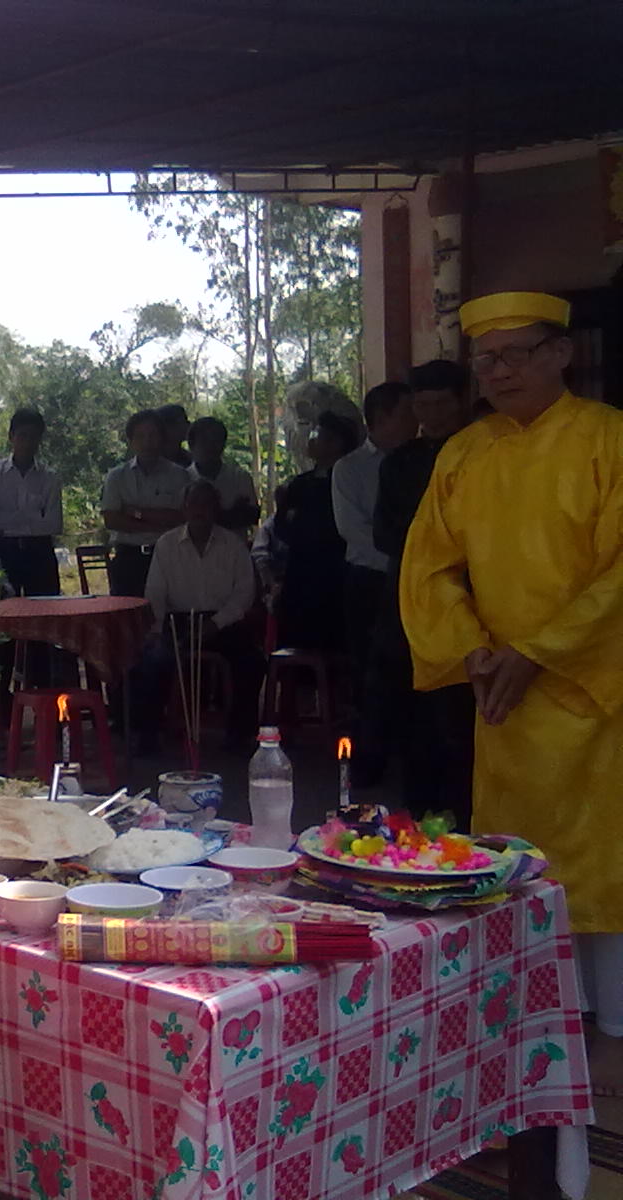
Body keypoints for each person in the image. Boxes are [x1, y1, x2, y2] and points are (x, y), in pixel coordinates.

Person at [401, 290, 623, 1049]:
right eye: (485, 359)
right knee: (516, 858)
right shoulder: (465, 453)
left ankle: (610, 1025)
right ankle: (530, 1021)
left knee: (602, 861)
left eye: (516, 354)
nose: (498, 372)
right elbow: (429, 567)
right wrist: (471, 648)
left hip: (598, 688)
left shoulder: (608, 438)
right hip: (503, 694)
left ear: (561, 353)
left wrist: (542, 651)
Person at [372, 359, 475, 827]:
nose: (431, 415)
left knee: (461, 716)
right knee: (412, 712)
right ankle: (415, 817)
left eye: (441, 404)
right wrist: (428, 544)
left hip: (472, 594)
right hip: (411, 596)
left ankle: (466, 819)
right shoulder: (400, 462)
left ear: (461, 401)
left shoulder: (483, 451)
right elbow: (383, 533)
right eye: (423, 405)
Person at [130, 479, 264, 754]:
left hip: (223, 623)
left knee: (252, 661)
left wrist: (215, 623)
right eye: (194, 503)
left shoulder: (234, 545)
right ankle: (149, 736)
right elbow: (155, 594)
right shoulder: (166, 544)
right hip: (178, 622)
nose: (200, 510)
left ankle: (239, 736)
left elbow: (244, 595)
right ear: (184, 508)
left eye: (206, 504)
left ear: (216, 509)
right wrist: (155, 631)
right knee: (152, 660)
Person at [333, 381, 417, 785]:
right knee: (369, 671)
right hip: (370, 579)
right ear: (381, 418)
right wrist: (405, 557)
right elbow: (354, 530)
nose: (416, 422)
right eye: (407, 413)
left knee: (411, 668)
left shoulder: (420, 460)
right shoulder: (350, 468)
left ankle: (410, 756)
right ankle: (368, 764)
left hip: (415, 579)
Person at [276, 410, 361, 651]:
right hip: (300, 576)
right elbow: (283, 529)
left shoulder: (349, 482)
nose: (313, 441)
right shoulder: (300, 484)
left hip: (335, 576)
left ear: (337, 443)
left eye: (320, 436)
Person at [100, 409, 190, 597]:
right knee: (128, 612)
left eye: (153, 435)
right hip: (128, 558)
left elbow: (180, 518)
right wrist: (159, 523)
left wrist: (135, 513)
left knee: (170, 610)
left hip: (169, 556)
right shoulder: (116, 476)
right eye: (140, 436)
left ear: (162, 438)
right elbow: (112, 520)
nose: (147, 442)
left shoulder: (179, 475)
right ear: (131, 441)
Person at [0, 408, 64, 597]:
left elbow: (54, 524)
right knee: (4, 607)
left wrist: (10, 519)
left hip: (40, 552)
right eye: (22, 436)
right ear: (11, 436)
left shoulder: (49, 477)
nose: (27, 443)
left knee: (46, 607)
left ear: (40, 439)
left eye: (33, 437)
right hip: (4, 551)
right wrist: (35, 517)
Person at [187, 416, 261, 533]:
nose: (210, 447)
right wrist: (232, 513)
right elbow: (178, 519)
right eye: (205, 441)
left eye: (216, 441)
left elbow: (252, 516)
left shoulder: (240, 477)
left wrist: (205, 516)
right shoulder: (183, 478)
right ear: (192, 445)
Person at [154, 402, 193, 467]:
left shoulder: (191, 460)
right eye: (184, 420)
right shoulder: (151, 462)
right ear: (168, 427)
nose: (189, 424)